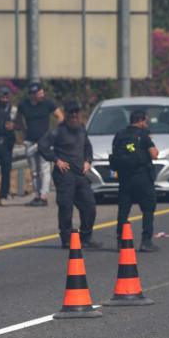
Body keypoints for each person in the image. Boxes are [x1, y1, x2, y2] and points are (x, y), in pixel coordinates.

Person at [39, 100, 98, 249]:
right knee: (66, 207)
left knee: (89, 206)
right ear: (66, 115)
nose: (74, 116)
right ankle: (66, 239)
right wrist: (56, 160)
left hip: (80, 173)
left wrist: (88, 161)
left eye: (76, 112)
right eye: (71, 113)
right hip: (64, 174)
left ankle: (86, 237)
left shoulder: (81, 128)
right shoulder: (58, 130)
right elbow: (42, 145)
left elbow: (88, 147)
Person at [110, 109, 159, 252]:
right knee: (148, 209)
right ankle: (146, 241)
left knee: (123, 211)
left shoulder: (120, 135)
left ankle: (121, 241)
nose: (146, 124)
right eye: (145, 121)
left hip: (125, 179)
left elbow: (115, 154)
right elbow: (154, 155)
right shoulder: (144, 135)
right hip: (142, 178)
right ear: (140, 121)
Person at [17, 82, 63, 206]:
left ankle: (44, 196)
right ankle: (37, 195)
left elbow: (60, 116)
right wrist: (22, 132)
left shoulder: (47, 104)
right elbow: (18, 119)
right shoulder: (23, 105)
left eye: (42, 92)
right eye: (39, 93)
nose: (42, 94)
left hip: (44, 142)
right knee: (34, 171)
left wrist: (54, 133)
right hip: (30, 141)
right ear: (32, 94)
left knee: (44, 170)